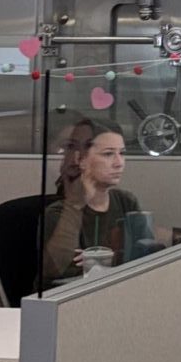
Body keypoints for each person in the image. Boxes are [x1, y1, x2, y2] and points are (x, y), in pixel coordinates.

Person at [40, 120, 147, 287]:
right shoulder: (57, 213)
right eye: (108, 154)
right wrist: (76, 203)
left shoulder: (126, 202)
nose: (119, 163)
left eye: (122, 153)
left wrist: (105, 259)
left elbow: (145, 256)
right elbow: (56, 271)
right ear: (82, 160)